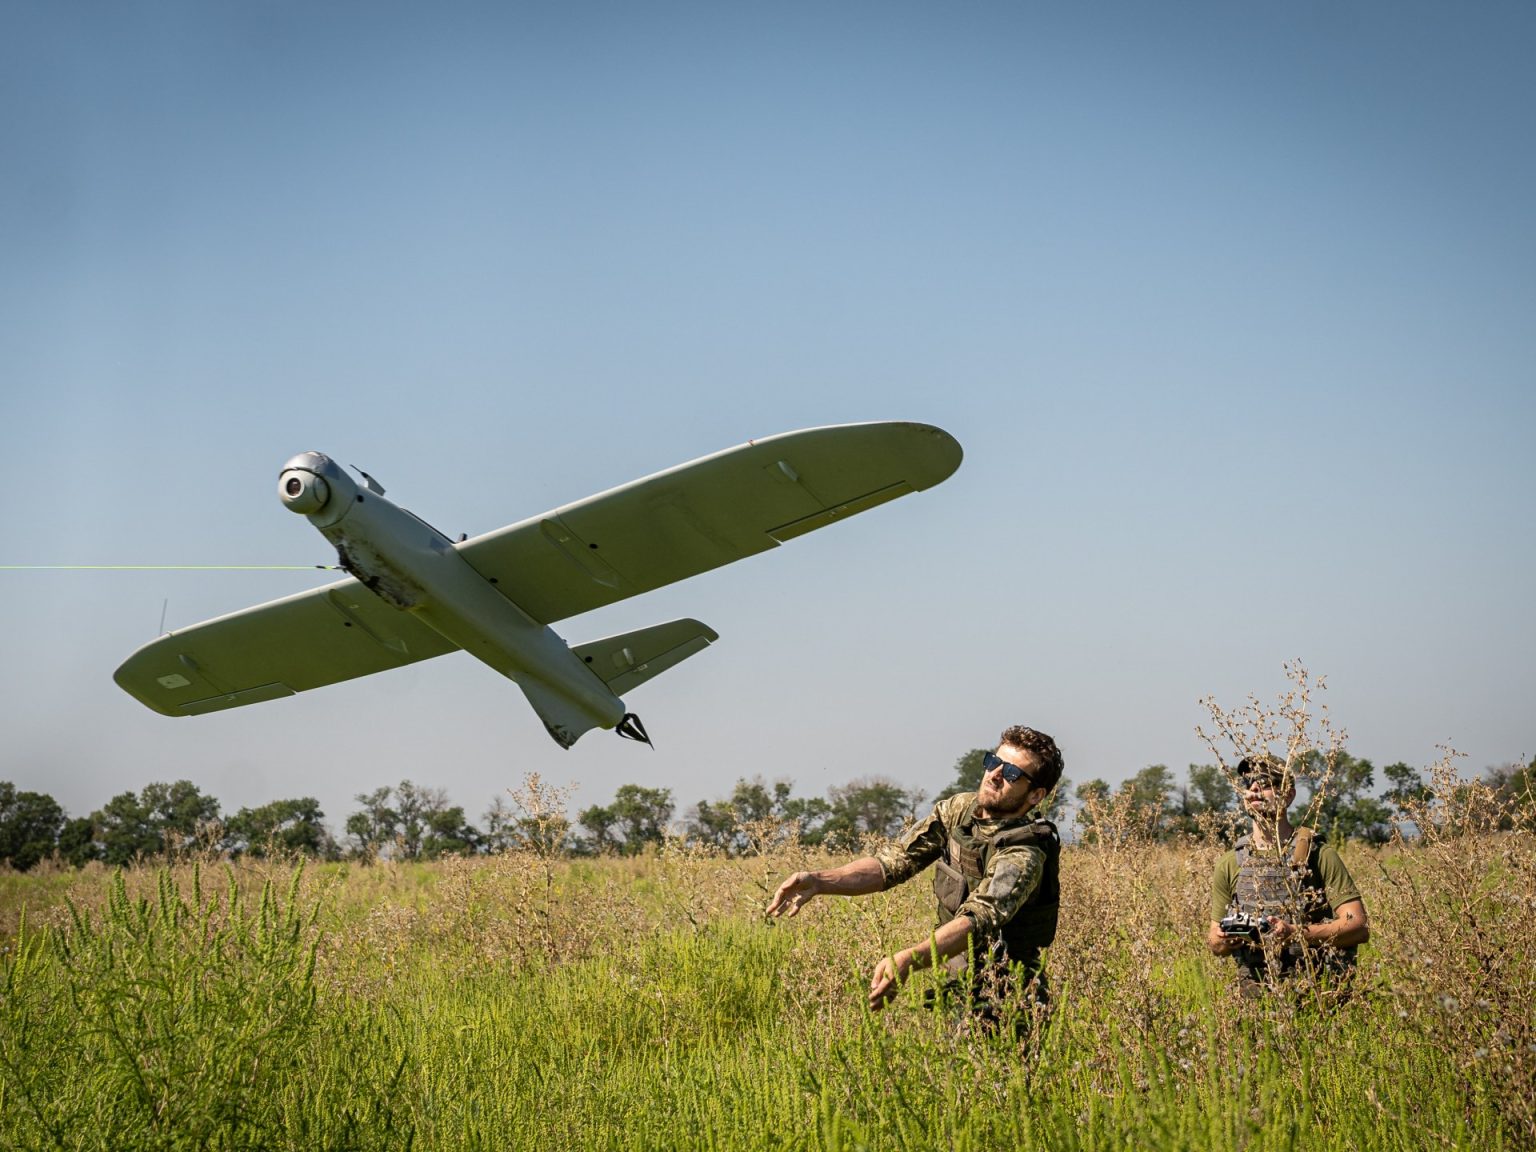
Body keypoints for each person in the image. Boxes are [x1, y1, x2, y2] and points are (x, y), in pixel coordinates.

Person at [767, 725, 1064, 1023]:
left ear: (1036, 794)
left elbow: (976, 921)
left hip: (1011, 996)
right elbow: (893, 863)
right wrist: (820, 881)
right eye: (992, 762)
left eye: (1011, 774)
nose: (995, 775)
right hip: (958, 978)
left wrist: (909, 959)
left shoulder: (1024, 853)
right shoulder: (960, 811)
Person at [1206, 755, 1370, 988]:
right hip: (1254, 999)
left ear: (1289, 794)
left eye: (1265, 783)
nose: (1254, 788)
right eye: (1249, 783)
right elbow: (1214, 940)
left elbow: (1358, 927)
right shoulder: (1231, 862)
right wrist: (1226, 938)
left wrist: (1295, 934)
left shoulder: (1318, 854)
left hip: (1317, 993)